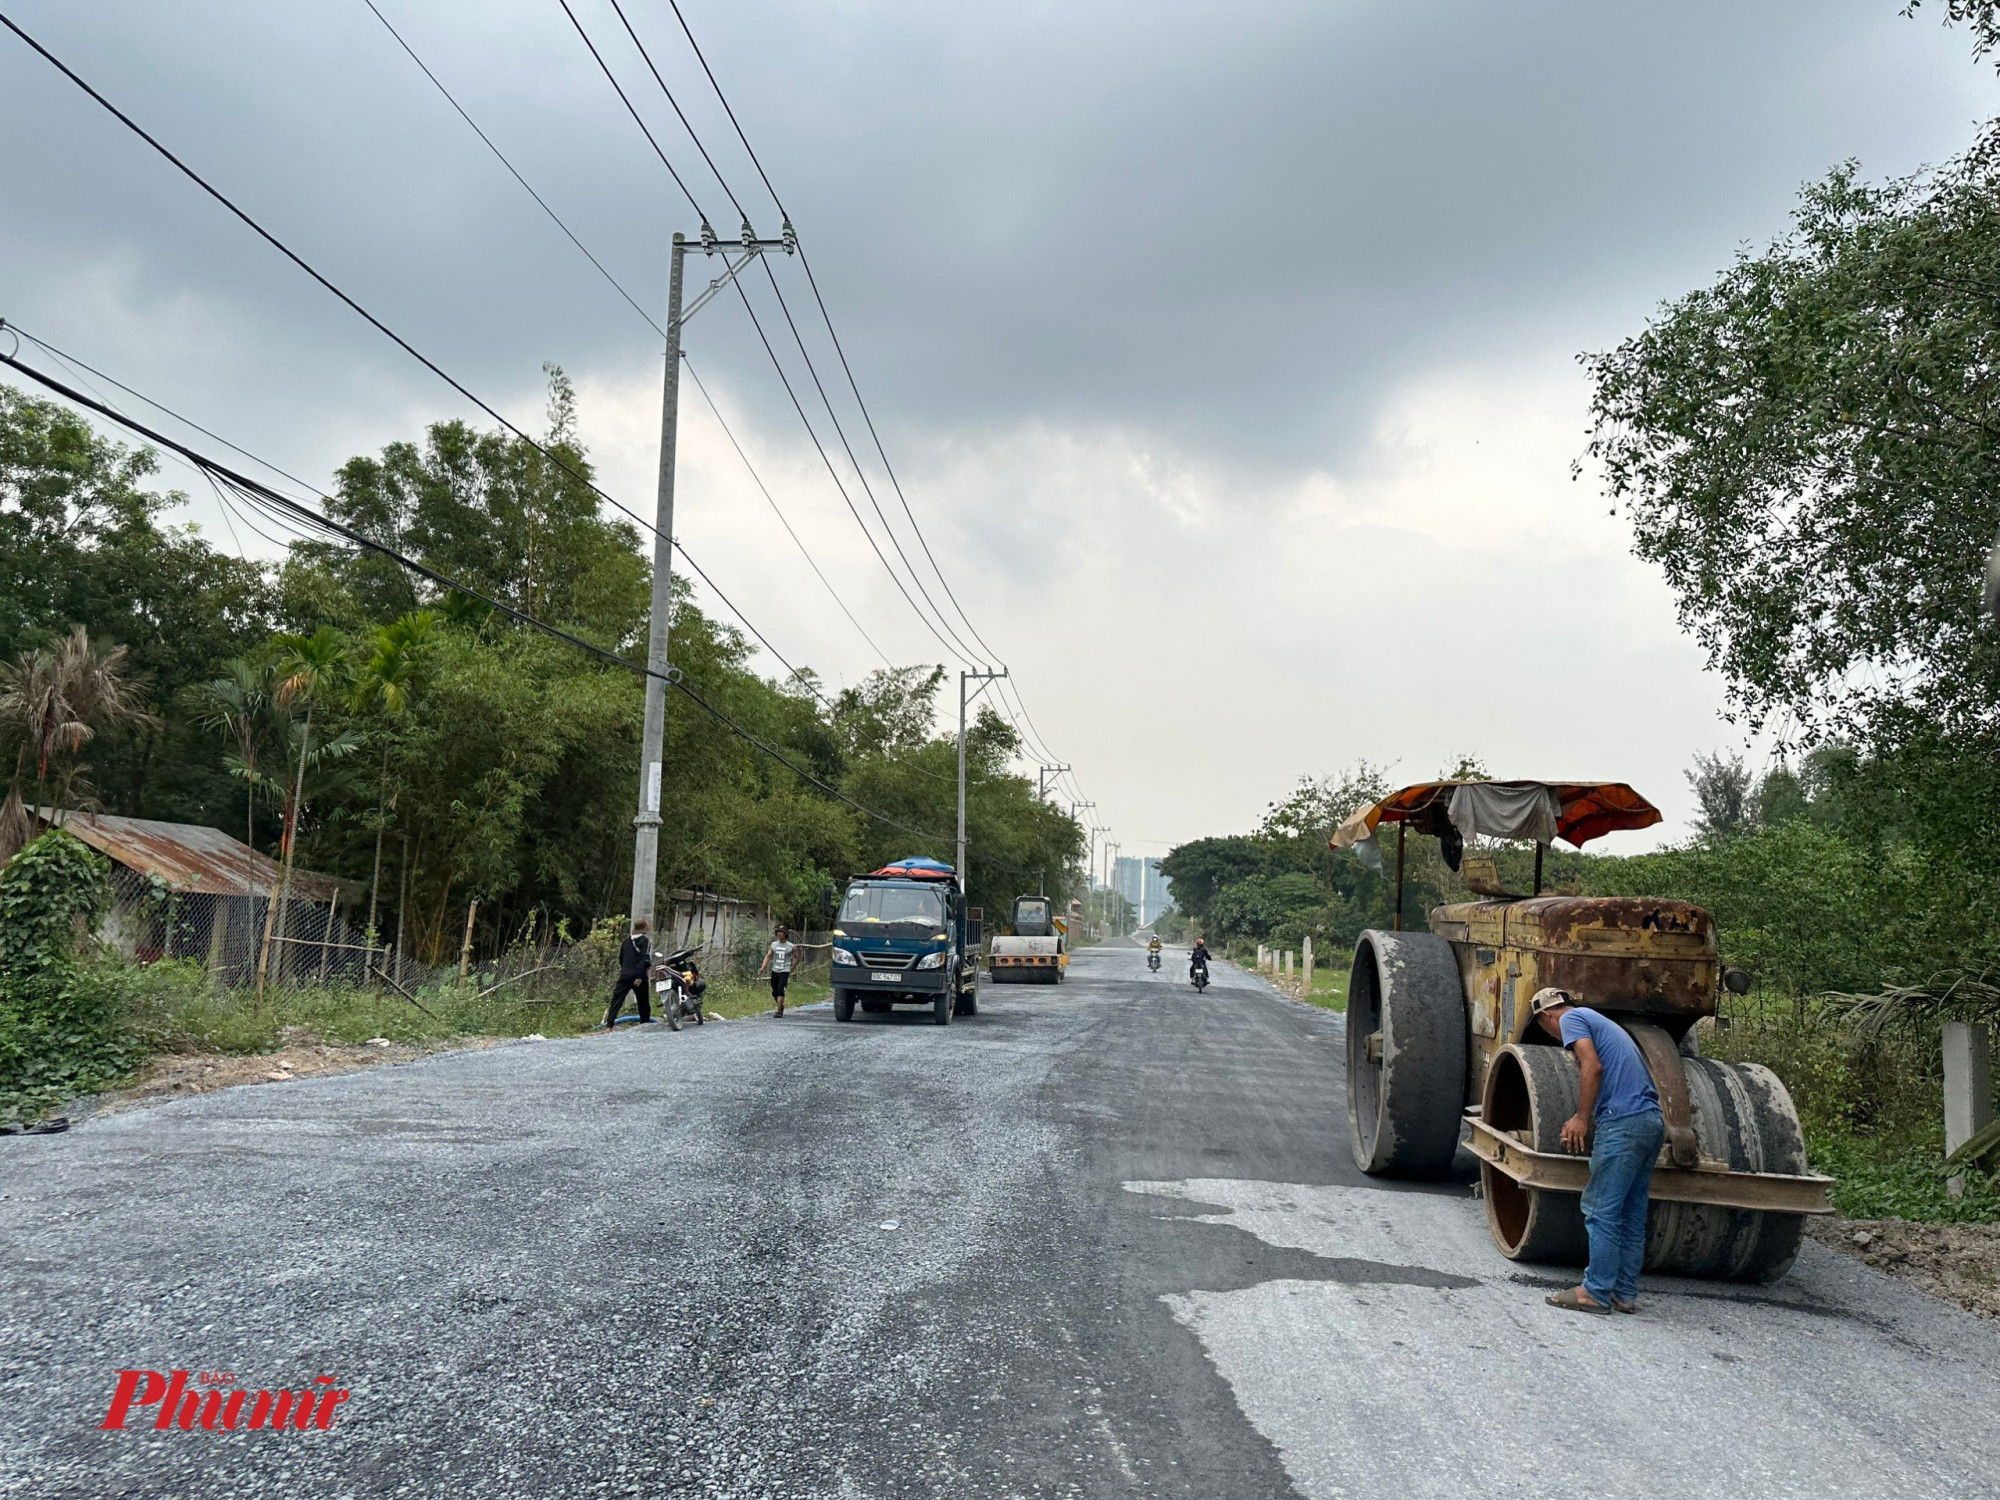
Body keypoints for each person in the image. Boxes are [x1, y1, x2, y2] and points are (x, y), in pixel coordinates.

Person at [1531, 987, 1664, 1316]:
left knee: (1600, 1209)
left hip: (1622, 1125)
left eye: (1544, 1029)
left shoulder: (1573, 1019)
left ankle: (1595, 1291)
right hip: (1650, 1122)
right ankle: (1623, 1292)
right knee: (1630, 1214)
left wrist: (1581, 1118)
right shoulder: (1598, 1020)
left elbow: (1593, 1068)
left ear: (1547, 1016)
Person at [756, 925, 829, 1018]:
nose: (779, 933)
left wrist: (792, 967)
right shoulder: (773, 944)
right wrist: (762, 967)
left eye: (781, 932)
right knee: (774, 991)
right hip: (775, 970)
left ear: (785, 934)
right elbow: (768, 956)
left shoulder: (791, 946)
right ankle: (781, 1006)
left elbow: (797, 957)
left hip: (785, 970)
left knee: (780, 990)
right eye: (778, 932)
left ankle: (778, 1011)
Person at [607, 919, 653, 1028]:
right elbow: (644, 959)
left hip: (624, 975)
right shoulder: (644, 941)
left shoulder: (626, 941)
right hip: (638, 976)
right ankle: (644, 1024)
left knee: (616, 1001)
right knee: (643, 1002)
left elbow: (621, 959)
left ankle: (609, 1026)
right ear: (644, 929)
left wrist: (625, 970)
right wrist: (639, 976)